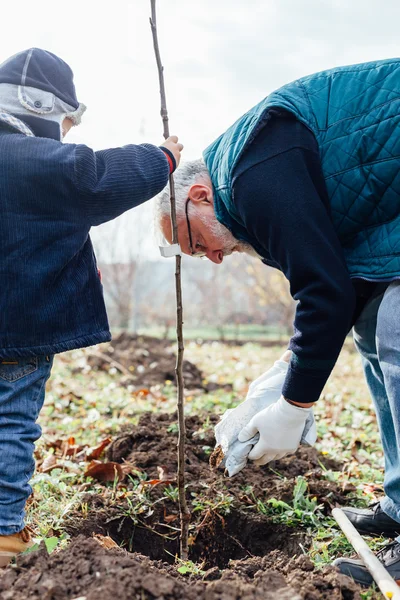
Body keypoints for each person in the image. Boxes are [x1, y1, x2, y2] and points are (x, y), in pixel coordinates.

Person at [156, 58, 400, 586]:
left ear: (199, 197)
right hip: (388, 218)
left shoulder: (252, 178)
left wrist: (295, 405)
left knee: (397, 329)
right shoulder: (247, 199)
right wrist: (285, 373)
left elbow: (325, 291)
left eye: (196, 245)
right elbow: (344, 285)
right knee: (375, 330)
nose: (213, 259)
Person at [0, 47, 183, 565]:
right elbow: (100, 175)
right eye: (63, 120)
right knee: (11, 420)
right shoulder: (41, 162)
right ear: (39, 110)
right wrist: (161, 157)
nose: (67, 133)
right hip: (19, 329)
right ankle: (2, 537)